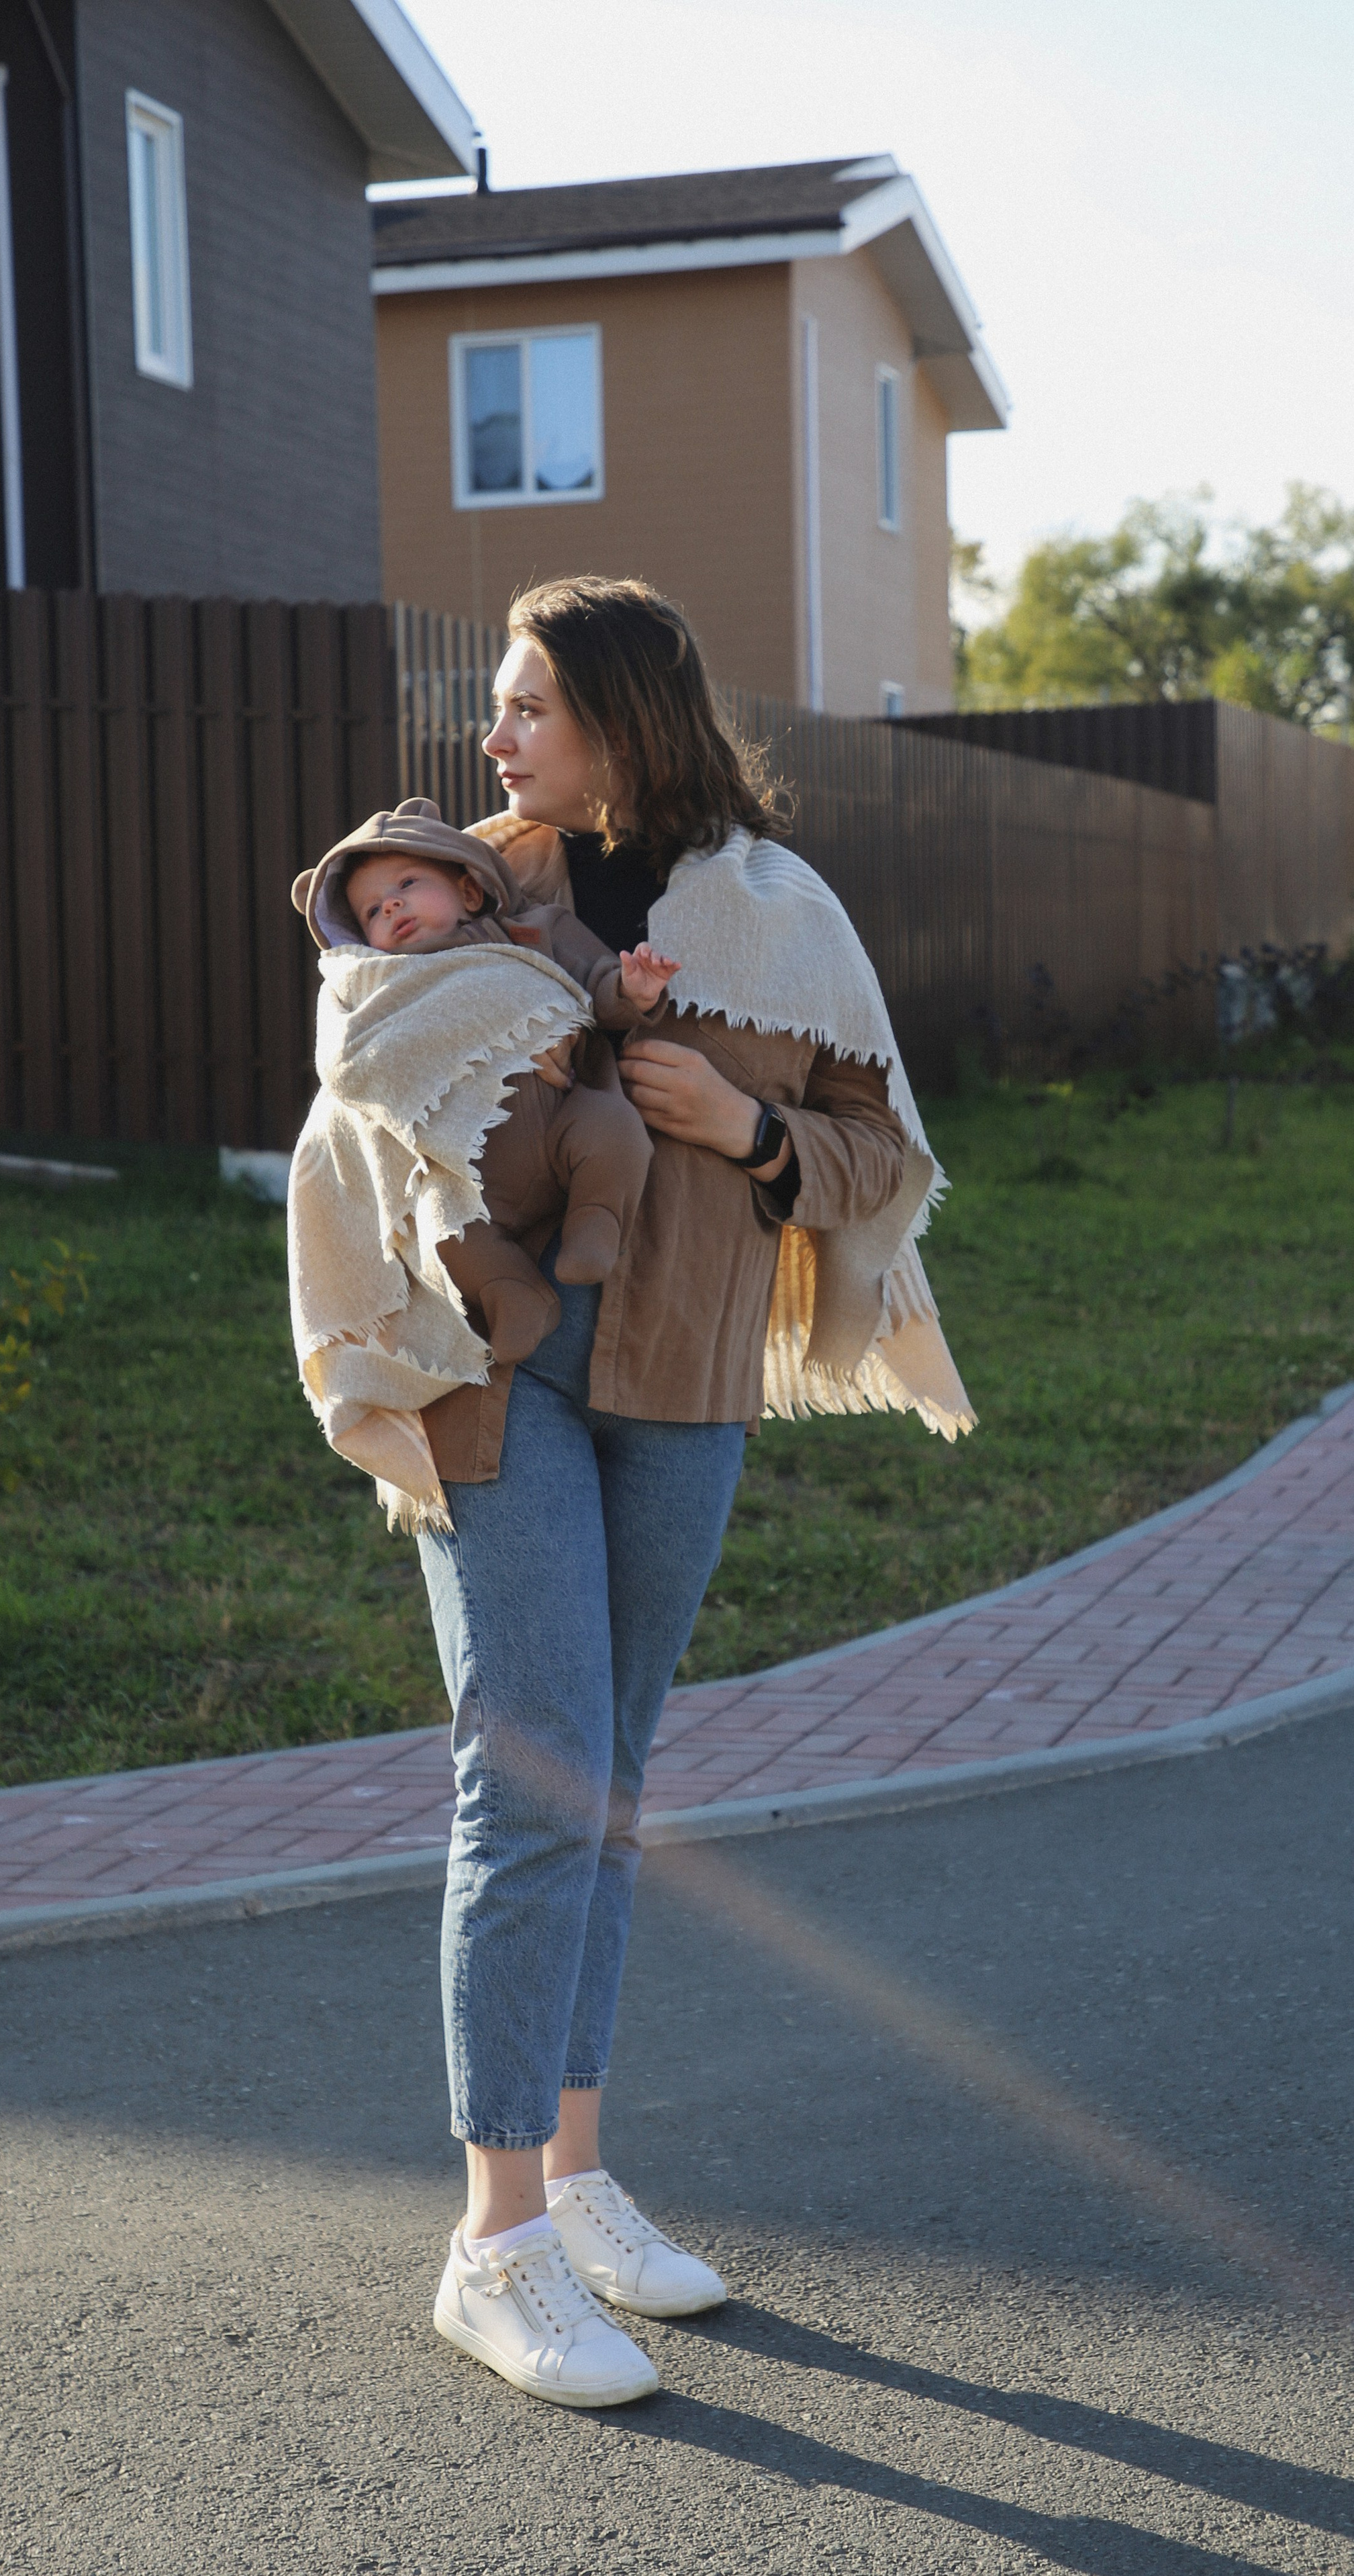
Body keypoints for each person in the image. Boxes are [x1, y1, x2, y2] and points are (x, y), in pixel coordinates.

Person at [408, 576, 975, 2409]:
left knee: (615, 1781)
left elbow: (882, 1156)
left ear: (624, 720)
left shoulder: (779, 916)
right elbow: (367, 1089)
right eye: (496, 711)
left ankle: (576, 2186)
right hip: (494, 1379)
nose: (494, 741)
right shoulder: (475, 889)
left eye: (524, 711)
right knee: (535, 1771)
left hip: (685, 1390)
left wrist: (745, 1131)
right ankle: (490, 2244)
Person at [290, 800, 675, 1363]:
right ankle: (514, 1293)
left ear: (469, 892)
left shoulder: (529, 929)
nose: (392, 904)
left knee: (615, 1132)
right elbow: (363, 1060)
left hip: (568, 1109)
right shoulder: (387, 989)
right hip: (468, 1165)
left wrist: (634, 990)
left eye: (408, 882)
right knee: (444, 1233)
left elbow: (593, 981)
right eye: (373, 910)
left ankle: (598, 1221)